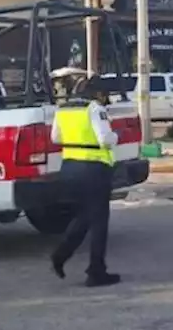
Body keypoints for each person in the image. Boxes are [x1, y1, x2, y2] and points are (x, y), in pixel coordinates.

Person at [49, 75, 122, 287]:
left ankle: (60, 255)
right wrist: (117, 135)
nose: (105, 99)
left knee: (84, 217)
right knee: (99, 222)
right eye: (104, 94)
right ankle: (96, 271)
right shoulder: (94, 109)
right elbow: (105, 140)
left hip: (69, 169)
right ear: (97, 93)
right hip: (94, 171)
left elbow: (56, 138)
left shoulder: (64, 108)